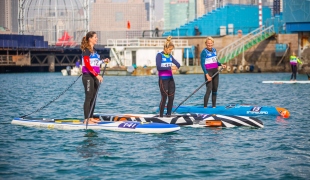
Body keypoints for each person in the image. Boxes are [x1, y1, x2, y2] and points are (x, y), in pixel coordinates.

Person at [80, 31, 110, 124]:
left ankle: (91, 117)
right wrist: (97, 75)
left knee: (94, 97)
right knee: (88, 97)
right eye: (95, 37)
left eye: (97, 37)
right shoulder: (86, 50)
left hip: (94, 76)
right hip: (88, 76)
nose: (96, 39)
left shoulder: (95, 50)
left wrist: (103, 61)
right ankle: (86, 119)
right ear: (90, 38)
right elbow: (88, 65)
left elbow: (95, 63)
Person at [156, 36, 180, 117]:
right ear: (165, 48)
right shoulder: (159, 55)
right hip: (163, 80)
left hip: (170, 80)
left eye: (171, 50)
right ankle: (161, 115)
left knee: (171, 97)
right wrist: (170, 68)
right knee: (164, 97)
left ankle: (169, 114)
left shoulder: (170, 56)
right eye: (169, 49)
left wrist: (175, 68)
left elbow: (178, 64)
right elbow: (159, 67)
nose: (170, 51)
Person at [200, 37, 226, 108]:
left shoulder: (214, 50)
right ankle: (205, 107)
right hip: (208, 72)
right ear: (206, 43)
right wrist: (207, 75)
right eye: (208, 43)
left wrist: (221, 64)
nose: (209, 44)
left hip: (215, 71)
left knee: (215, 89)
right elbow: (202, 64)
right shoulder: (204, 52)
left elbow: (215, 62)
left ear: (213, 43)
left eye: (211, 43)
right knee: (209, 89)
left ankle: (213, 107)